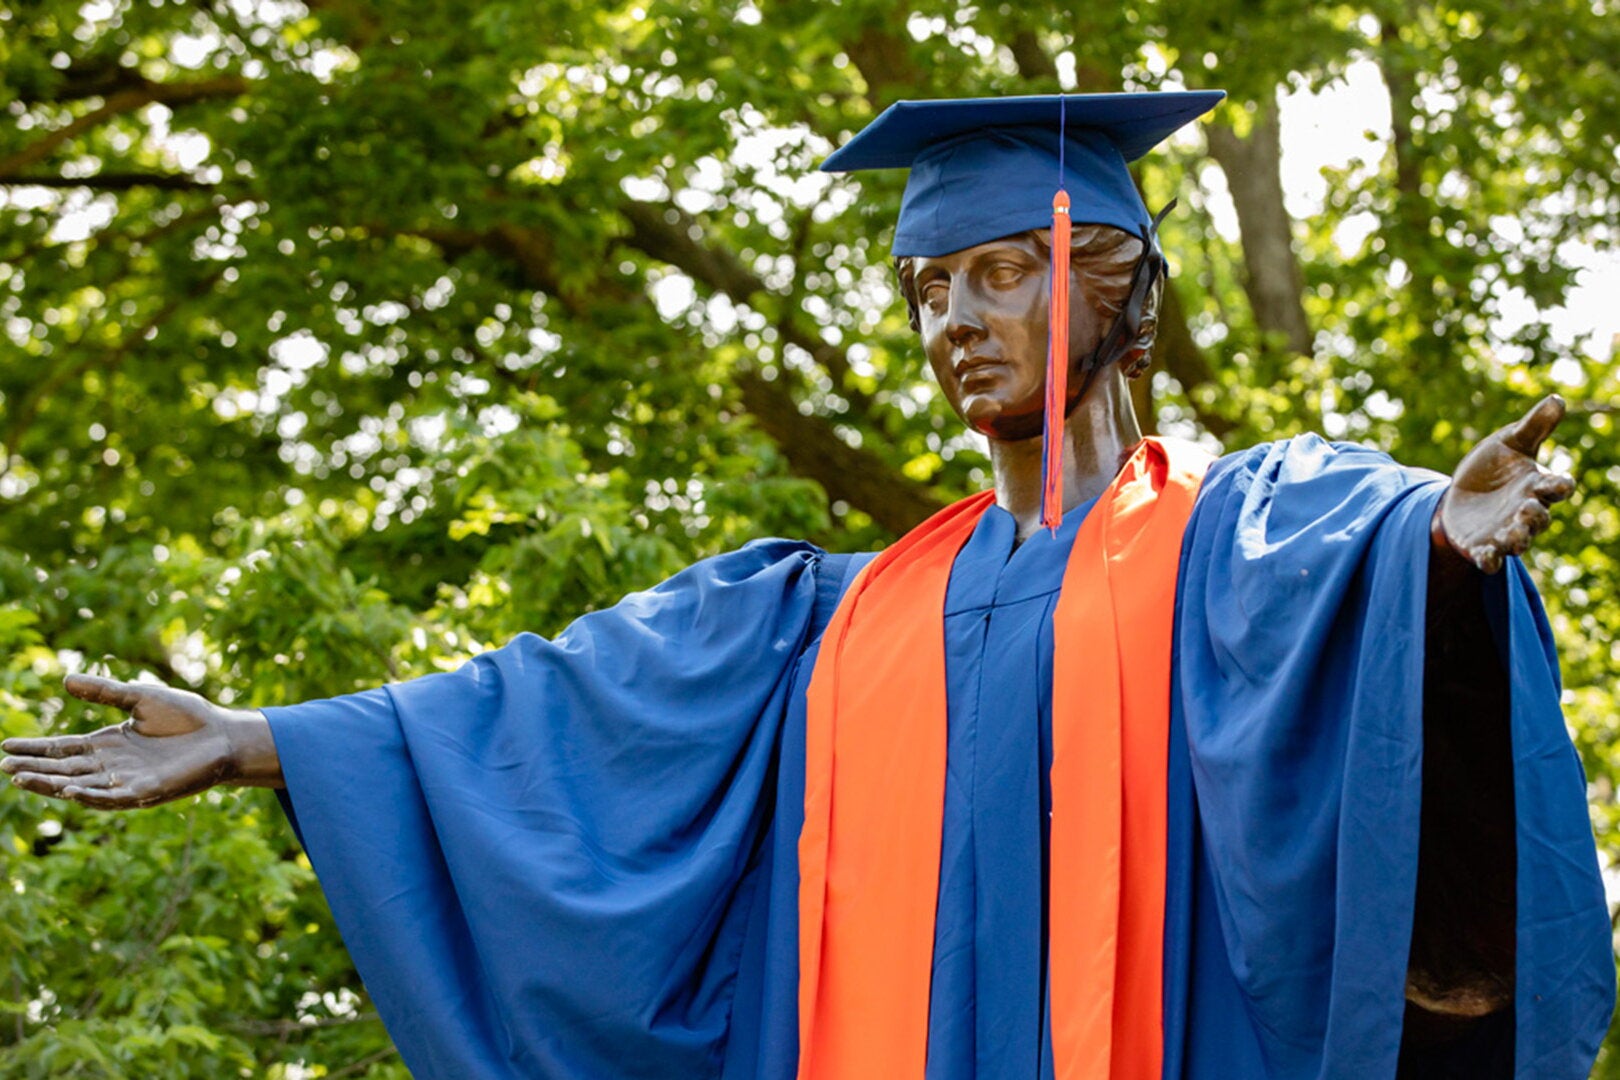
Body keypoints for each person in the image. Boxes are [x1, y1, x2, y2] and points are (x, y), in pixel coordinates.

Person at [3, 92, 1613, 1080]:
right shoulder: (827, 621)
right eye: (929, 287)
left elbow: (1348, 563)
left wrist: (1435, 562)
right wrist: (266, 736)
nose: (955, 320)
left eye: (1003, 269)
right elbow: (558, 707)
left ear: (1117, 284)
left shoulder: (1238, 534)